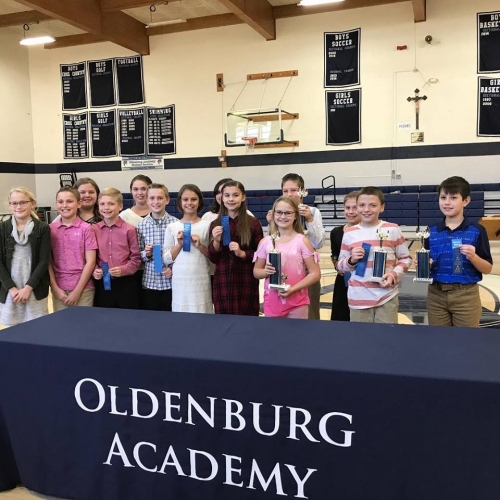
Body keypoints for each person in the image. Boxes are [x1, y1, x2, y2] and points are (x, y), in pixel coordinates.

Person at [337, 186, 412, 324]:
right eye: (362, 205)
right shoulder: (349, 233)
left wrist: (393, 275)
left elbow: (406, 258)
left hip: (386, 297)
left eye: (372, 205)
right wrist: (351, 260)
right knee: (361, 337)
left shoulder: (392, 229)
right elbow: (340, 266)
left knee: (385, 337)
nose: (366, 209)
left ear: (382, 207)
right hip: (358, 298)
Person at [426, 176, 493, 327]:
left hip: (466, 296)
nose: (447, 202)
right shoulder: (431, 231)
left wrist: (473, 257)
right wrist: (424, 265)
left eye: (453, 197)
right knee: (438, 338)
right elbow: (427, 266)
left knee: (466, 339)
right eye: (443, 197)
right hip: (436, 295)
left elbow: (487, 268)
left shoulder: (477, 231)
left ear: (466, 201)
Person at [268, 173, 325, 319]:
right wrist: (271, 224)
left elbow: (318, 243)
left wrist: (309, 219)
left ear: (302, 191)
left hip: (306, 269)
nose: (289, 194)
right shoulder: (278, 213)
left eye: (293, 190)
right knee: (281, 310)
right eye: (285, 191)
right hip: (283, 269)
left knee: (310, 312)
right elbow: (272, 243)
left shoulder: (313, 212)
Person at [254, 196, 320, 319]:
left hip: (297, 302)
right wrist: (265, 272)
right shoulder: (266, 242)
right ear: (273, 214)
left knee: (298, 332)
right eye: (279, 212)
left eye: (288, 213)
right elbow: (256, 272)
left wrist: (293, 289)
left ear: (295, 215)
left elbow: (315, 273)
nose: (283, 216)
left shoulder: (302, 241)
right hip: (272, 302)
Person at [208, 180, 263, 316]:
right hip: (223, 280)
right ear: (221, 198)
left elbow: (261, 255)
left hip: (246, 279)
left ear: (243, 197)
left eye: (235, 195)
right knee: (224, 321)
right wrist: (216, 241)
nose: (231, 199)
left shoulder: (253, 223)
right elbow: (213, 258)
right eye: (227, 195)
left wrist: (242, 253)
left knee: (247, 319)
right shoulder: (215, 224)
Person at [0, 187, 50, 326]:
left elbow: (44, 261)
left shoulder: (42, 228)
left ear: (32, 203)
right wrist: (11, 288)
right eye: (14, 203)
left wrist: (28, 288)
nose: (18, 206)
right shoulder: (2, 228)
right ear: (10, 205)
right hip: (10, 289)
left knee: (37, 328)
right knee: (12, 330)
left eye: (23, 202)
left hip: (34, 287)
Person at [163, 184, 212, 313]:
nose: (189, 203)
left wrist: (200, 245)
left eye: (193, 199)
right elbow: (166, 259)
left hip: (201, 279)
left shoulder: (207, 226)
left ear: (199, 201)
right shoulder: (172, 227)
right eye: (185, 199)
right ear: (180, 201)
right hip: (180, 280)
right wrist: (179, 244)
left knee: (202, 314)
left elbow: (213, 256)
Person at [49, 187, 97, 311]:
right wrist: (55, 288)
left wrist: (77, 291)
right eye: (60, 202)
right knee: (61, 322)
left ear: (79, 203)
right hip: (59, 289)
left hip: (84, 289)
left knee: (83, 322)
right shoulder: (50, 229)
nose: (64, 205)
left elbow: (91, 262)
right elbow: (48, 262)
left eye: (69, 201)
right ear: (56, 204)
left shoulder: (87, 229)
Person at [92, 188, 141, 309]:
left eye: (111, 204)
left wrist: (123, 270)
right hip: (103, 281)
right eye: (102, 204)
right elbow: (90, 256)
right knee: (104, 315)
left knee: (127, 315)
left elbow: (136, 259)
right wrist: (95, 270)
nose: (106, 208)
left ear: (120, 206)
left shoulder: (130, 230)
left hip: (125, 282)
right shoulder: (93, 229)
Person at [137, 183, 178, 311]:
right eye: (152, 198)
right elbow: (138, 255)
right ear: (147, 200)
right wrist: (147, 253)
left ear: (167, 200)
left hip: (171, 283)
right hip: (150, 284)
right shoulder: (141, 225)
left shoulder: (176, 224)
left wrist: (173, 269)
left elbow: (181, 254)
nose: (156, 202)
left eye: (160, 198)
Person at [330, 191, 360, 321]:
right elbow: (334, 255)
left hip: (362, 282)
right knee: (340, 317)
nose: (351, 212)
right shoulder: (336, 232)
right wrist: (337, 266)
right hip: (343, 282)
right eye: (347, 208)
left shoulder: (368, 232)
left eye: (355, 208)